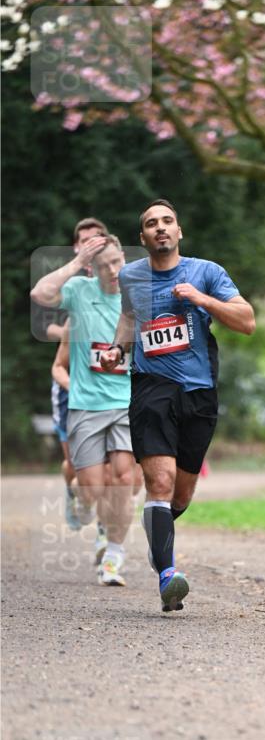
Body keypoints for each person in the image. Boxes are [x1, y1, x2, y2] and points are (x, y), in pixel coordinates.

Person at [100, 199, 255, 613]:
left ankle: (159, 540)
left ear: (179, 231)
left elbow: (247, 321)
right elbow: (130, 318)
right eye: (151, 224)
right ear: (143, 238)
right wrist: (119, 348)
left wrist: (202, 300)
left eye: (167, 221)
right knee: (161, 483)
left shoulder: (207, 272)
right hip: (151, 387)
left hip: (199, 391)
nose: (160, 228)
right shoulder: (131, 276)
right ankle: (168, 576)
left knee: (180, 496)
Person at [32, 234, 135, 587]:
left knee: (123, 479)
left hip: (125, 403)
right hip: (86, 406)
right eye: (105, 265)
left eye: (117, 262)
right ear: (93, 268)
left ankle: (113, 556)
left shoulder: (134, 293)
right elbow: (40, 294)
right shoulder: (79, 290)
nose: (113, 270)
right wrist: (76, 264)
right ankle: (81, 500)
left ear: (124, 258)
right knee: (91, 487)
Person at [34, 217, 109, 532]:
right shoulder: (64, 279)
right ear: (77, 246)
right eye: (84, 240)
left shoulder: (115, 275)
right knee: (76, 464)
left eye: (97, 238)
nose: (91, 243)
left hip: (105, 381)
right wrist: (71, 330)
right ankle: (72, 489)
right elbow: (41, 323)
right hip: (69, 376)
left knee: (109, 464)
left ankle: (108, 529)